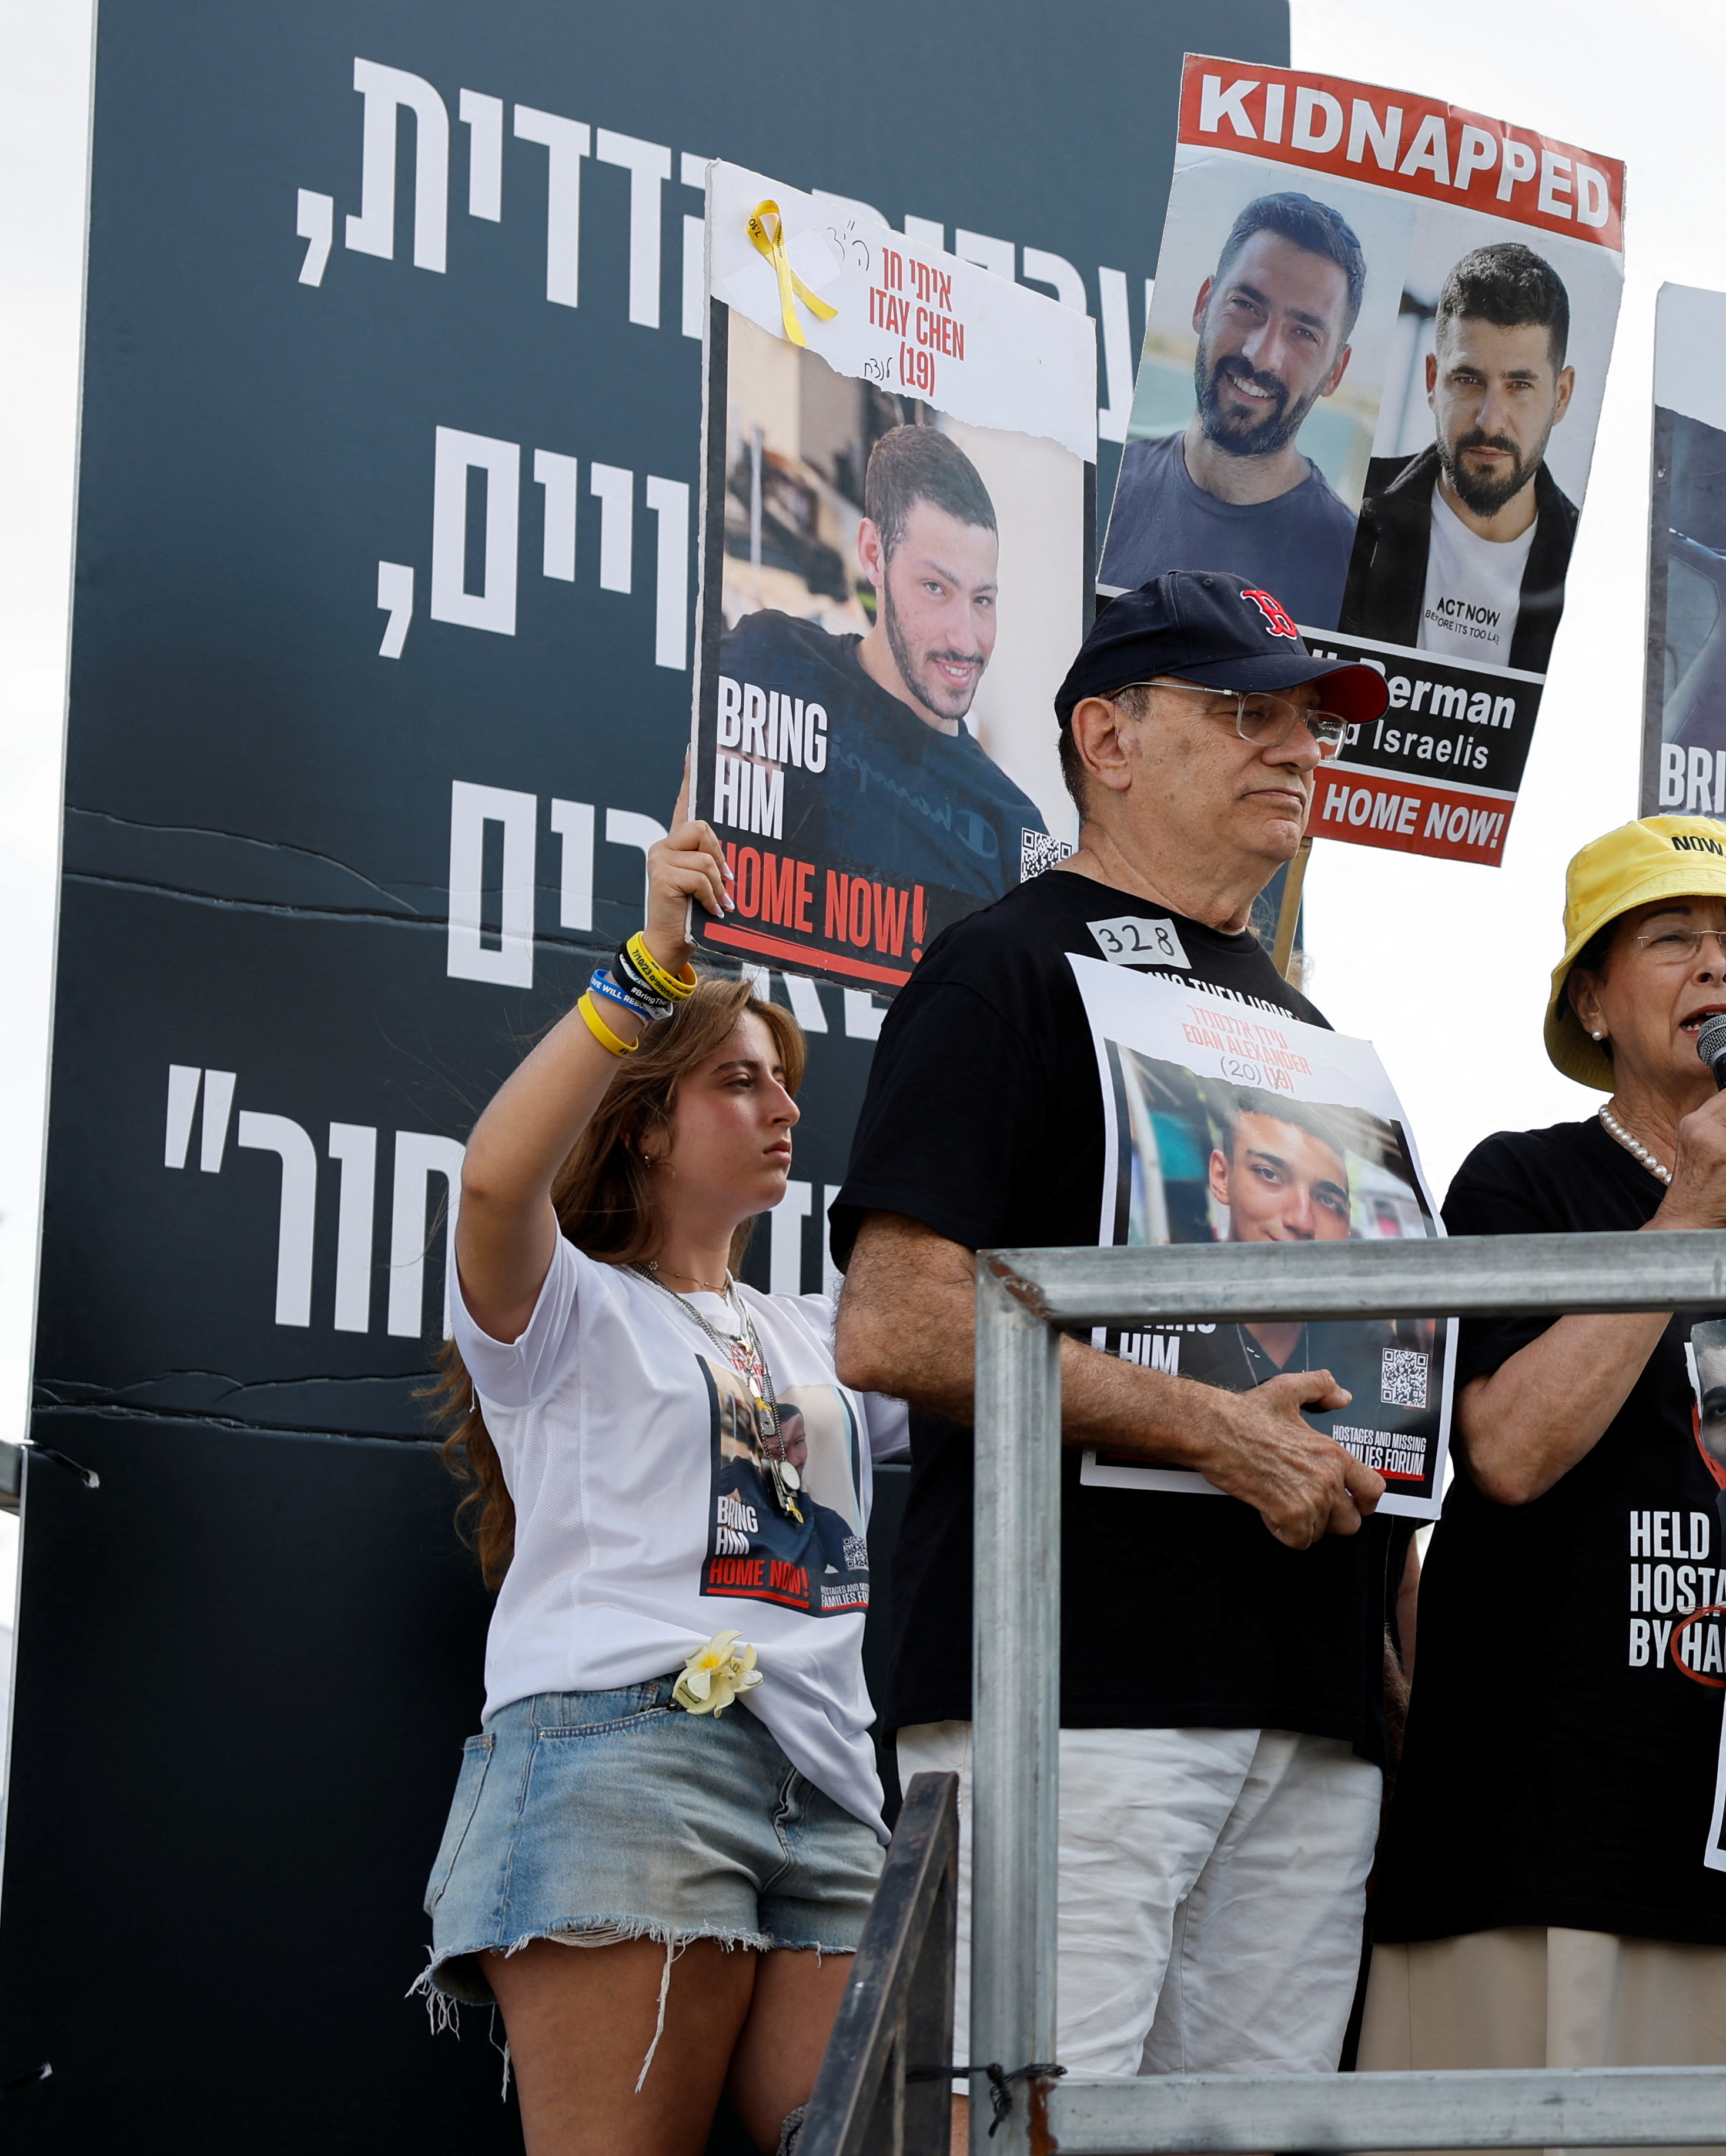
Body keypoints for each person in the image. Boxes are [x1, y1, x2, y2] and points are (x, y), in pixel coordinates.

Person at [825, 571, 1394, 2118]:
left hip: (1307, 1710)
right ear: (1107, 736)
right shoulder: (1004, 967)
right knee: (1031, 2131)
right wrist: (1214, 1428)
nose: (1293, 748)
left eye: (1307, 722)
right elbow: (893, 1319)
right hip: (1074, 1691)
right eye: (1243, 712)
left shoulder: (1318, 1040)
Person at [1360, 815, 1726, 2156]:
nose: (1714, 966)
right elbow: (1503, 1447)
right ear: (1589, 996)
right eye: (1670, 937)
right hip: (1544, 1831)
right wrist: (1685, 1214)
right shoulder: (1521, 1179)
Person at [419, 804, 895, 2156]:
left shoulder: (820, 1330)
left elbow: (1005, 1363)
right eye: (740, 1078)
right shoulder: (568, 1309)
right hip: (625, 1758)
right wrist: (647, 975)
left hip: (831, 1788)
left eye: (784, 1078)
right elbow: (497, 1184)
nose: (784, 1104)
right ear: (640, 1122)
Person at [714, 423, 1051, 931]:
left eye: (982, 599)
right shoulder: (768, 659)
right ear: (874, 554)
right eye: (935, 587)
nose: (965, 640)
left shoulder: (1015, 829)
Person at [1098, 195, 1367, 624]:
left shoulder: (1356, 572)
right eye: (1246, 305)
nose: (1261, 356)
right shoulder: (1105, 488)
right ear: (1205, 304)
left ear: (1336, 370)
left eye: (1303, 333)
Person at [1336, 242, 1580, 670]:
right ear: (1433, 380)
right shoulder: (1343, 512)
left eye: (1520, 385)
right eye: (1468, 379)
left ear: (1561, 397)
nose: (1490, 421)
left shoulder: (1591, 569)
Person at [1167, 1087, 1429, 1468]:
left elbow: (1402, 1490)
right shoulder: (1159, 1312)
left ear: (1347, 1222)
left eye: (1328, 1199)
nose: (1302, 1220)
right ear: (1222, 1176)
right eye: (1270, 1175)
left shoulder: (1373, 1335)